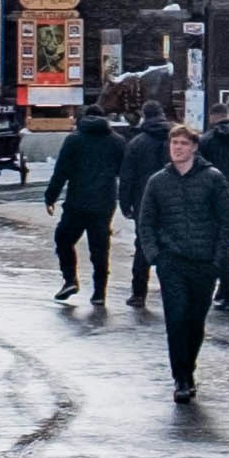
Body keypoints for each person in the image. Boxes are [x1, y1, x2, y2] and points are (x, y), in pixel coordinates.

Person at [129, 118, 229, 398]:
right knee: (176, 318)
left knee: (195, 320)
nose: (177, 148)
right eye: (174, 143)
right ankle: (182, 378)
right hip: (171, 261)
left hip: (204, 261)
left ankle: (189, 365)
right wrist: (155, 256)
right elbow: (146, 221)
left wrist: (217, 257)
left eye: (183, 143)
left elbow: (226, 221)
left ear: (194, 147)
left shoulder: (213, 179)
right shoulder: (158, 181)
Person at [47, 106, 137, 317]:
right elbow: (125, 173)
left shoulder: (74, 140)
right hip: (104, 202)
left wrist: (50, 197)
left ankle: (70, 279)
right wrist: (126, 201)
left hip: (77, 201)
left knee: (64, 239)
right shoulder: (116, 141)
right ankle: (99, 292)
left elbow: (61, 171)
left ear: (84, 118)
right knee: (100, 247)